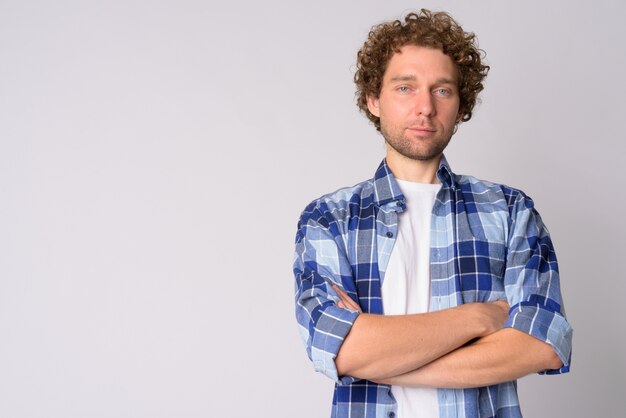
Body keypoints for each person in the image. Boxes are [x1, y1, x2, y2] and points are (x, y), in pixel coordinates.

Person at [293, 9, 572, 418]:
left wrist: (383, 358)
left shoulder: (510, 211)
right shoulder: (330, 219)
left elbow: (542, 344)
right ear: (374, 99)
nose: (425, 107)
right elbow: (337, 347)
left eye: (442, 90)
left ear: (461, 106)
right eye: (405, 88)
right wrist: (480, 317)